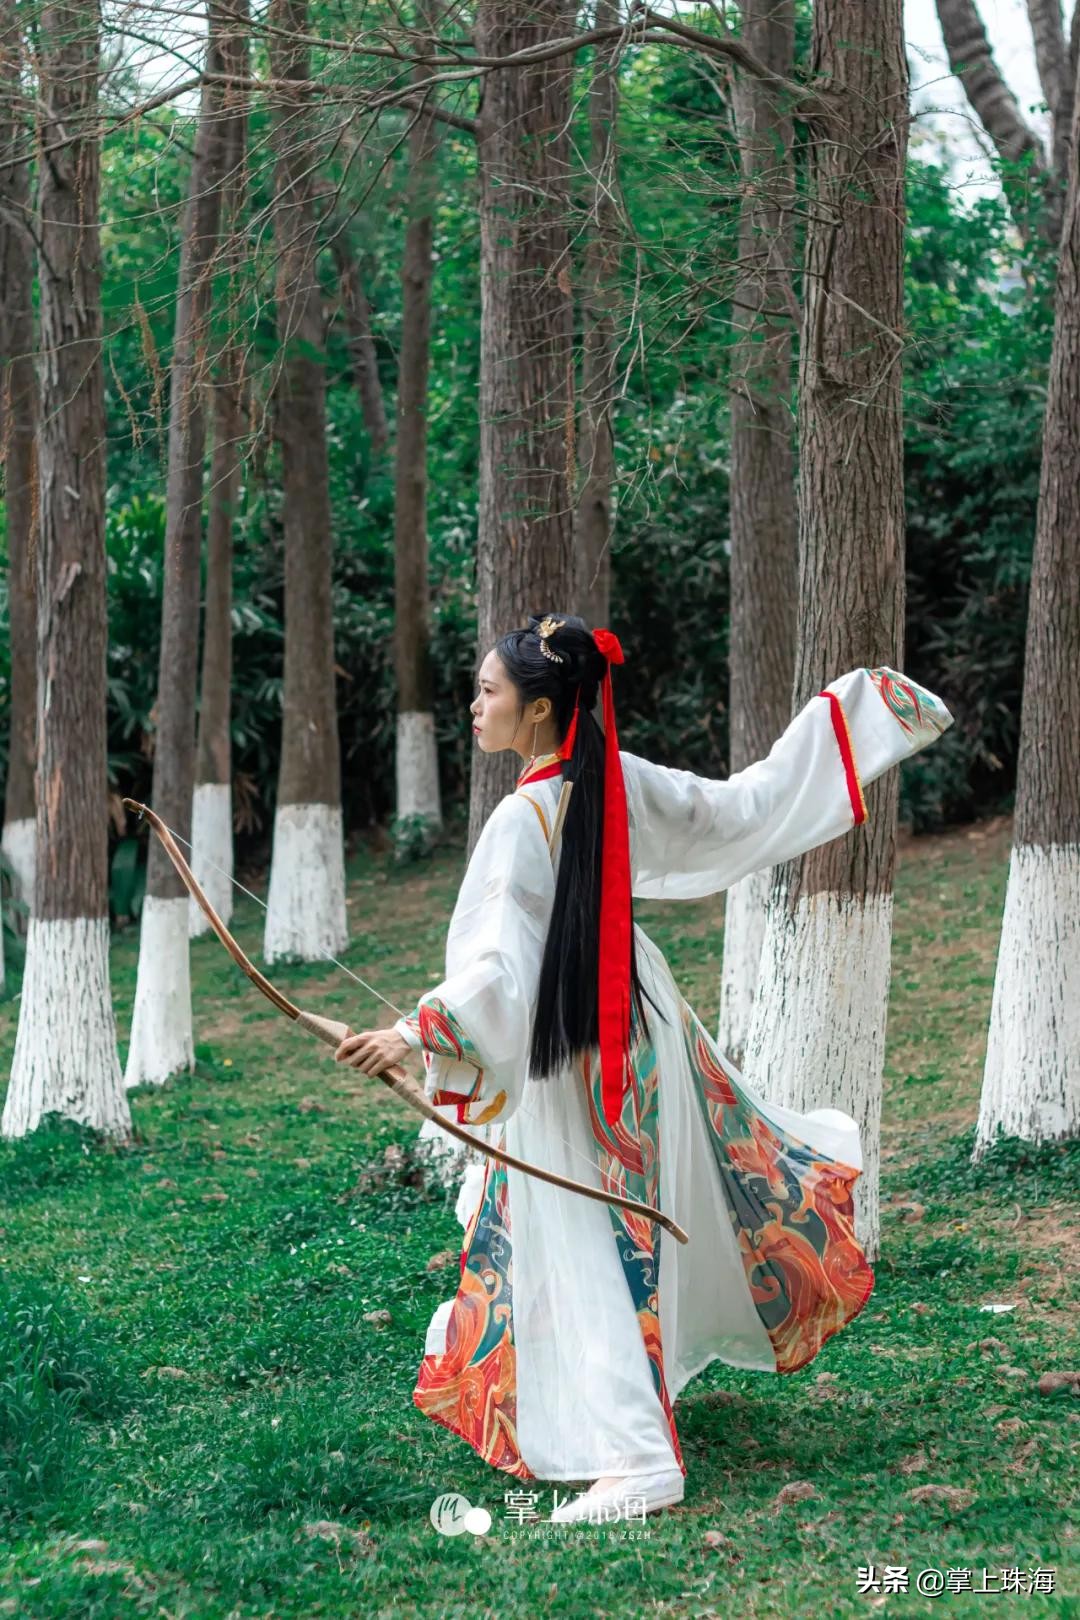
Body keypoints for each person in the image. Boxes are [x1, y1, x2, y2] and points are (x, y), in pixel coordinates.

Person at [335, 614, 954, 1525]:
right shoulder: (613, 778)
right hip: (638, 1029)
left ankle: (634, 1453)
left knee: (583, 1232)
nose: (473, 706)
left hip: (570, 1043)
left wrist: (411, 1031)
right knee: (578, 1218)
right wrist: (851, 719)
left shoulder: (522, 818)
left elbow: (500, 973)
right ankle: (559, 1383)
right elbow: (740, 809)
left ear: (540, 709)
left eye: (488, 692)